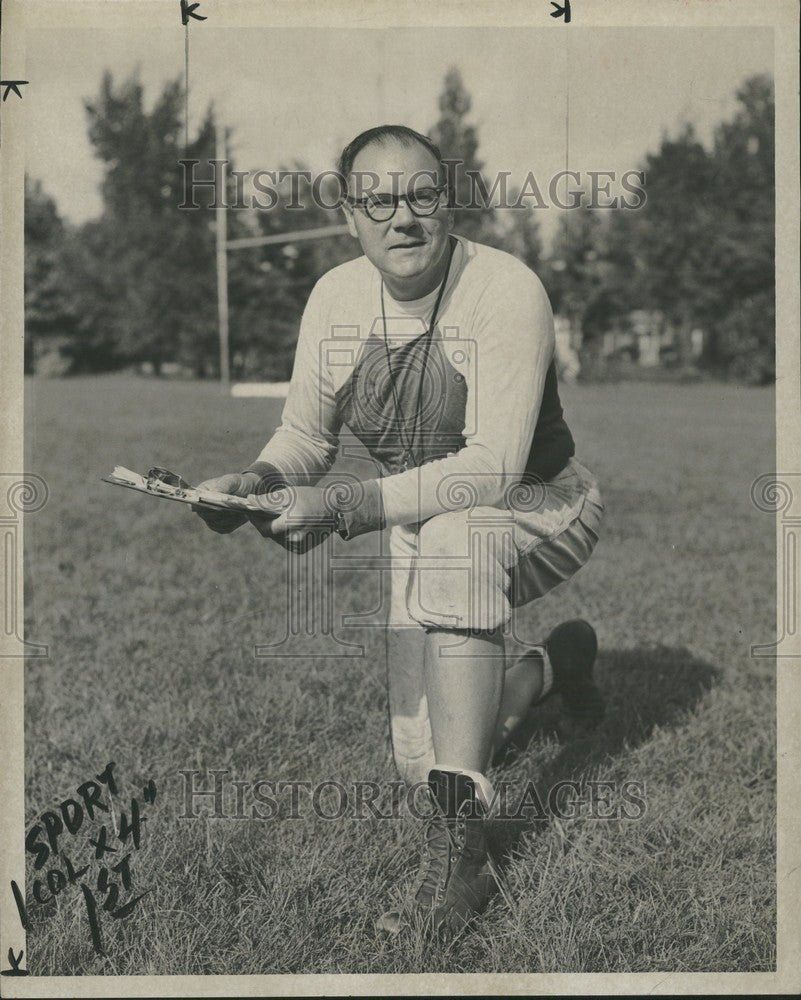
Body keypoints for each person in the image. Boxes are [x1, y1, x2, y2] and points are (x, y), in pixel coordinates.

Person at [194, 125, 605, 936]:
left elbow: (488, 467)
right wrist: (256, 482)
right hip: (424, 517)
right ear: (350, 214)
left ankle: (464, 859)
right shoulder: (336, 296)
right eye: (378, 201)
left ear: (446, 203)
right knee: (424, 758)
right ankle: (549, 668)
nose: (402, 218)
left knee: (457, 541)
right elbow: (307, 437)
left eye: (420, 197)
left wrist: (343, 509)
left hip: (541, 503)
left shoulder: (503, 286)